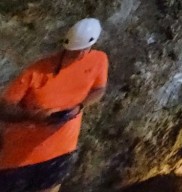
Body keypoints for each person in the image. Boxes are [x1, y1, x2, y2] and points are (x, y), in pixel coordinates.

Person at [0, 18, 108, 192]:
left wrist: (80, 106)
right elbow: (4, 108)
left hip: (61, 149)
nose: (80, 55)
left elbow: (99, 89)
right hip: (20, 156)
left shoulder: (99, 60)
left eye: (84, 50)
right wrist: (31, 116)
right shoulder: (37, 71)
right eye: (75, 51)